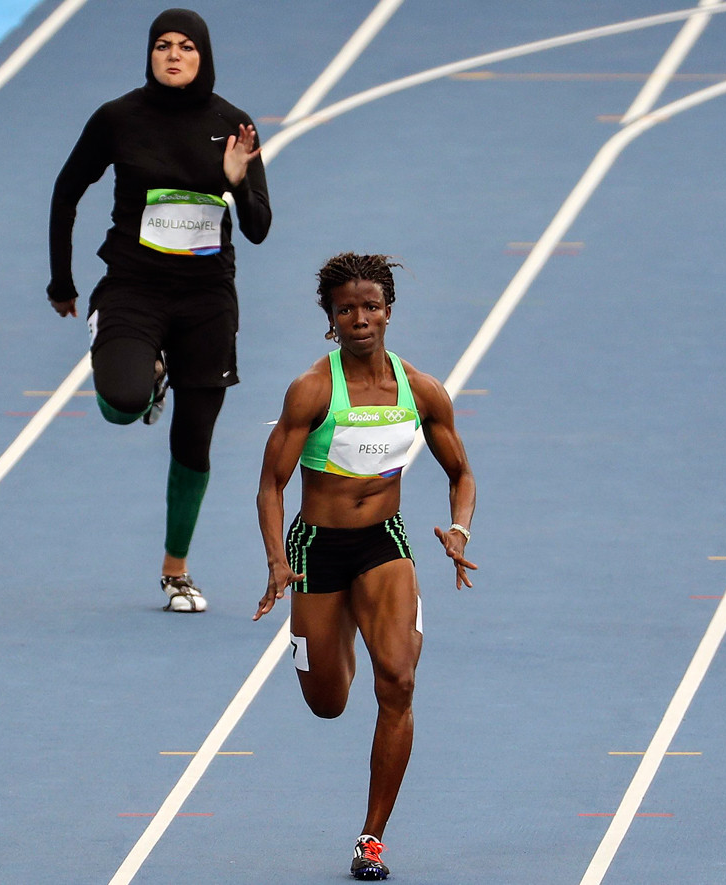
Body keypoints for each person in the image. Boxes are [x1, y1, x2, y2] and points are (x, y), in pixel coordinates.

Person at [254, 253, 476, 881]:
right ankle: (337, 630)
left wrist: (458, 529)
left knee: (399, 680)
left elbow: (460, 473)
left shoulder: (421, 390)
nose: (360, 318)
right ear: (330, 318)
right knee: (327, 702)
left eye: (370, 307)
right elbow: (272, 485)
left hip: (384, 543)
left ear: (388, 312)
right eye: (346, 309)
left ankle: (371, 838)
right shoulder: (312, 391)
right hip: (316, 549)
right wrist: (277, 561)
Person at [47, 8, 271, 612]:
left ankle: (176, 569)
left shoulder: (234, 125)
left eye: (186, 47)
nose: (173, 55)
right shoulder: (118, 118)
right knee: (120, 407)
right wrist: (61, 280)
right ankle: (145, 379)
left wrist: (236, 181)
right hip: (133, 288)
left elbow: (258, 230)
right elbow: (67, 190)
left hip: (206, 299)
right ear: (149, 54)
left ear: (204, 56)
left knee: (194, 437)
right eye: (162, 46)